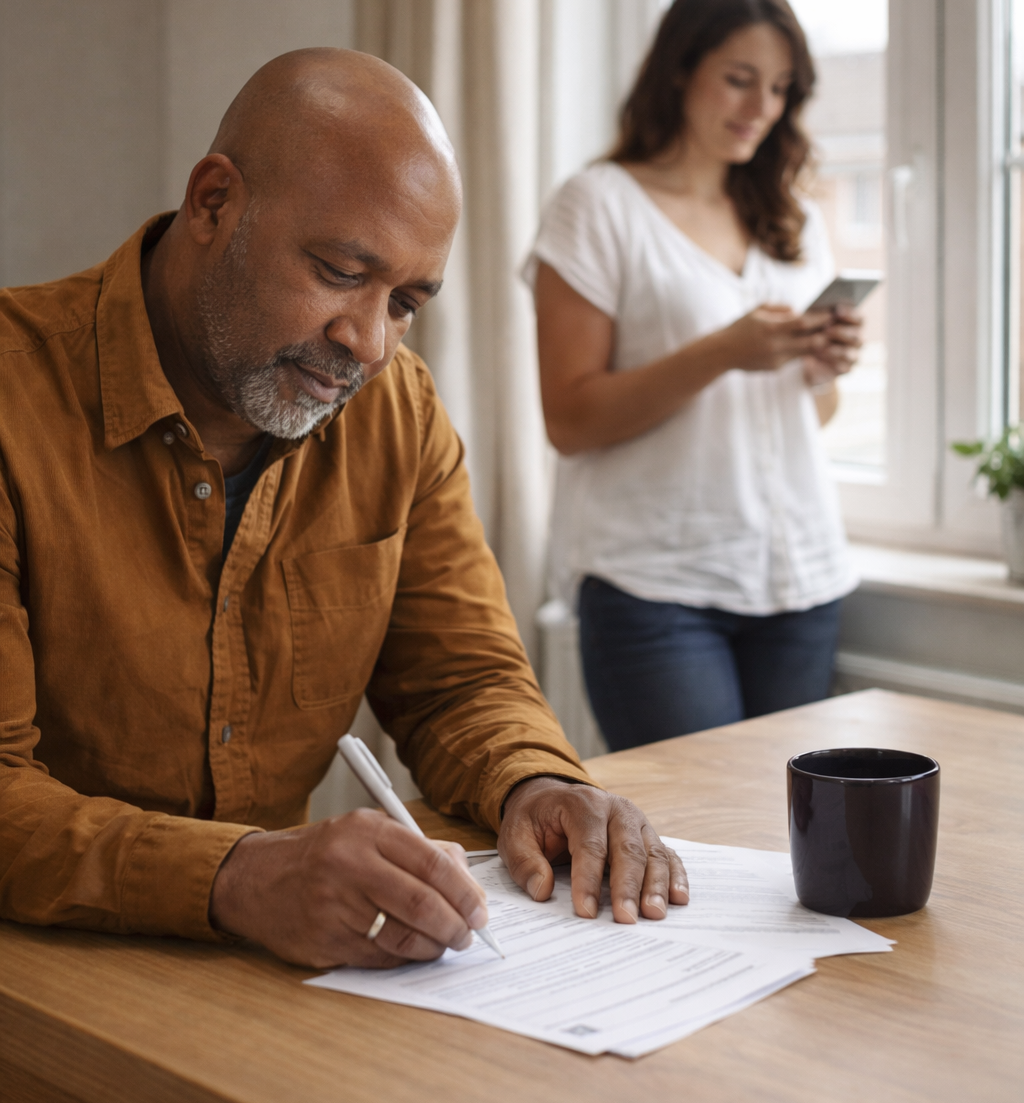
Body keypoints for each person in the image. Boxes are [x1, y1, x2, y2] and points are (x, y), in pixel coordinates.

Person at [0, 48, 689, 969]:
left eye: (406, 302)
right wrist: (241, 877)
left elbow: (461, 680)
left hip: (266, 972)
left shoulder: (396, 410)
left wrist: (533, 781)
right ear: (214, 203)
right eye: (337, 271)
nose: (366, 342)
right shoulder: (14, 400)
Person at [526, 0, 863, 753]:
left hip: (800, 580)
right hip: (656, 588)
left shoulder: (794, 218)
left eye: (779, 88)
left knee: (784, 850)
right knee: (693, 850)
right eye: (739, 80)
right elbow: (570, 419)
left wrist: (823, 366)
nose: (760, 109)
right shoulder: (597, 205)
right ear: (680, 70)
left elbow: (814, 416)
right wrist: (722, 352)